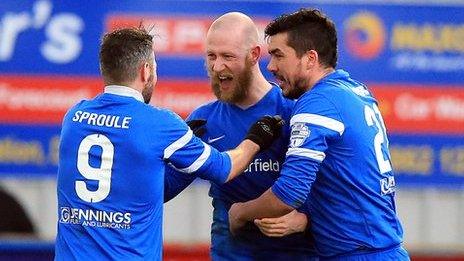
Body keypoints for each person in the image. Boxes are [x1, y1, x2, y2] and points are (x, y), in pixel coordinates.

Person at [54, 26, 283, 260]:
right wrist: (256, 139)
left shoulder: (74, 117)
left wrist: (183, 166)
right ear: (145, 71)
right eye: (155, 67)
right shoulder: (161, 124)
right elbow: (225, 169)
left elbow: (144, 184)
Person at [228, 8, 410, 260]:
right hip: (377, 249)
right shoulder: (355, 90)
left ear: (310, 58)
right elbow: (345, 178)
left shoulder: (318, 103)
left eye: (279, 55)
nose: (270, 66)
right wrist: (308, 217)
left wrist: (240, 212)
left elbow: (289, 192)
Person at [164, 12, 318, 260]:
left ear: (254, 55)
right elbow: (164, 188)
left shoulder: (294, 110)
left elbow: (335, 186)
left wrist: (306, 218)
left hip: (297, 253)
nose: (217, 67)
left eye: (227, 56)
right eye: (211, 56)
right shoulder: (203, 120)